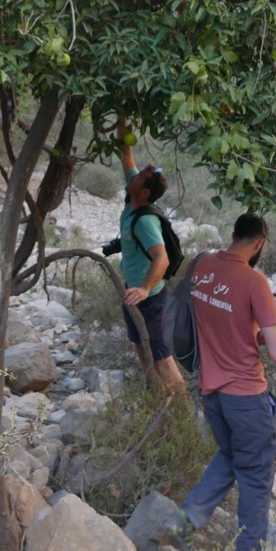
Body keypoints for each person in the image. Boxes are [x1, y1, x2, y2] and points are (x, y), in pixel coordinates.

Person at [162, 212, 276, 551]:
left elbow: (211, 318)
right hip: (246, 398)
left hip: (210, 391)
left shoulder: (201, 265)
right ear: (260, 243)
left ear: (234, 234)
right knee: (255, 477)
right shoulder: (254, 282)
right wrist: (263, 334)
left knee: (229, 460)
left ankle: (175, 536)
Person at [105, 123, 186, 397]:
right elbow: (125, 152)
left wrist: (144, 289)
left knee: (161, 356)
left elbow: (161, 259)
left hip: (151, 300)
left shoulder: (146, 221)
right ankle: (156, 400)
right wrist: (122, 114)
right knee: (141, 347)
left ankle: (182, 412)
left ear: (146, 192)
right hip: (134, 293)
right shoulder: (132, 199)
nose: (133, 174)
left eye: (138, 176)